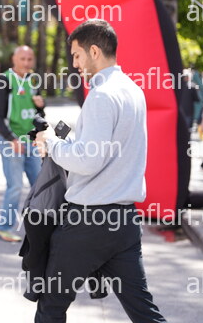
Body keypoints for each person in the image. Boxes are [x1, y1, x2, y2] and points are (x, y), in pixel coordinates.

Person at [35, 19, 166, 322]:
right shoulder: (132, 90)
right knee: (143, 311)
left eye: (77, 55)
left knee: (51, 306)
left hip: (89, 221)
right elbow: (104, 151)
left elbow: (87, 161)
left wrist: (51, 143)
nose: (75, 63)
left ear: (94, 51)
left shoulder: (102, 94)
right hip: (124, 221)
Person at [0, 45, 45, 242]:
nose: (26, 63)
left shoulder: (33, 80)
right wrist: (11, 139)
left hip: (31, 141)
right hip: (11, 140)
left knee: (40, 185)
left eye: (30, 59)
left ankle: (40, 228)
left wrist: (42, 106)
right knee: (15, 186)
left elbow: (38, 114)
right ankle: (4, 228)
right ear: (14, 59)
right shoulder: (4, 80)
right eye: (22, 59)